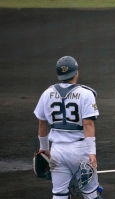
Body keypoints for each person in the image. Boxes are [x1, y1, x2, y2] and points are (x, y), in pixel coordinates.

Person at [34, 56, 102, 199]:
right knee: (91, 194)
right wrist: (92, 153)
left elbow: (42, 123)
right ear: (76, 73)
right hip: (81, 152)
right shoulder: (86, 94)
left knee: (59, 194)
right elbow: (88, 124)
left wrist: (44, 149)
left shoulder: (47, 93)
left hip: (57, 151)